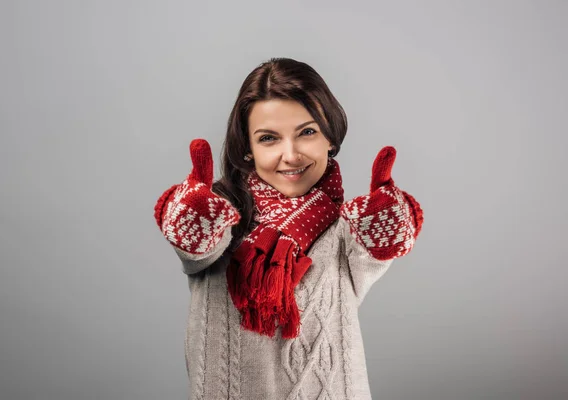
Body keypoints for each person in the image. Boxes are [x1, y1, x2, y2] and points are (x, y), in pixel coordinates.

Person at [153, 57, 424, 400]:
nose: (291, 155)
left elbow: (379, 249)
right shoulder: (219, 217)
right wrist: (190, 214)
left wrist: (391, 219)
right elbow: (194, 248)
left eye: (307, 132)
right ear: (247, 149)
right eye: (268, 138)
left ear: (330, 138)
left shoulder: (347, 228)